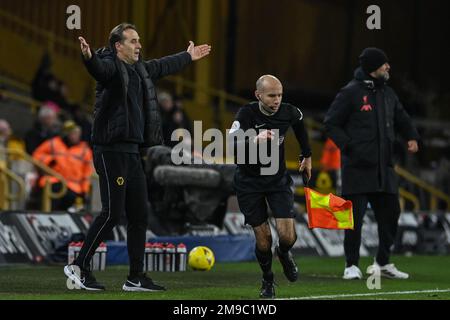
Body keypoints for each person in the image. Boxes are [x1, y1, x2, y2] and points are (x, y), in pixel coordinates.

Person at [63, 22, 211, 291]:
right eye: (133, 41)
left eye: (139, 40)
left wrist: (188, 56)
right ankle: (79, 268)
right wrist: (88, 57)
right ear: (118, 46)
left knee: (139, 215)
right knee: (112, 214)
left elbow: (163, 65)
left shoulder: (140, 68)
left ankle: (135, 277)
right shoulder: (110, 67)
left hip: (132, 152)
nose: (139, 45)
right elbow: (99, 68)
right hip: (111, 151)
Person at [324, 47, 420, 280]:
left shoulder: (388, 94)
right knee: (353, 220)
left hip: (384, 168)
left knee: (392, 213)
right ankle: (351, 265)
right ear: (373, 67)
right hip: (357, 169)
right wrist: (349, 147)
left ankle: (383, 262)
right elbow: (331, 123)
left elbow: (402, 117)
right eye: (384, 64)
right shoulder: (350, 92)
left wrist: (412, 136)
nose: (388, 67)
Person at [229, 75, 312, 298]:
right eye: (272, 95)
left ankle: (284, 253)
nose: (277, 100)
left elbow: (300, 124)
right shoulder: (246, 114)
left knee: (287, 237)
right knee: (263, 240)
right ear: (258, 95)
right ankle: (267, 280)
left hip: (277, 180)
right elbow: (230, 142)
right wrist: (253, 139)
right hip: (249, 183)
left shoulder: (288, 112)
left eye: (280, 95)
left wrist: (307, 155)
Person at [32, 120, 93, 211]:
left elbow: (87, 174)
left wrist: (84, 190)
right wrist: (50, 160)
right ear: (66, 133)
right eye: (73, 133)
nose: (76, 136)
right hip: (53, 180)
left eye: (77, 133)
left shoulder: (85, 151)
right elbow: (36, 155)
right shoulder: (53, 143)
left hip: (74, 187)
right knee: (50, 198)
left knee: (73, 206)